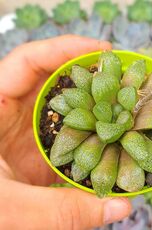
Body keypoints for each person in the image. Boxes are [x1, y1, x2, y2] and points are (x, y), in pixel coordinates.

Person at [0, 35, 131, 229]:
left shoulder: (125, 103)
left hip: (122, 121)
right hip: (91, 124)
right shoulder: (84, 112)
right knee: (80, 157)